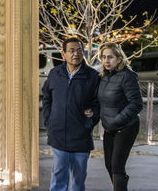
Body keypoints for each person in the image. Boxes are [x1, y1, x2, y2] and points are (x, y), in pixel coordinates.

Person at [42, 37, 100, 191]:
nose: (76, 54)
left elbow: (98, 104)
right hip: (59, 135)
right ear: (64, 54)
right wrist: (49, 120)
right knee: (58, 178)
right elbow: (46, 97)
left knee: (78, 180)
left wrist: (89, 122)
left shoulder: (92, 76)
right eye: (72, 50)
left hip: (81, 136)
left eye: (79, 50)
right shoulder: (55, 73)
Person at [98, 43, 143, 191]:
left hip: (126, 127)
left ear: (119, 58)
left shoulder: (127, 76)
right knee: (109, 165)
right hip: (109, 128)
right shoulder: (104, 76)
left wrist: (116, 121)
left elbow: (136, 104)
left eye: (110, 57)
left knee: (117, 165)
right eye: (104, 57)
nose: (106, 60)